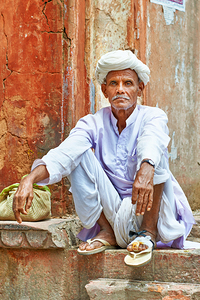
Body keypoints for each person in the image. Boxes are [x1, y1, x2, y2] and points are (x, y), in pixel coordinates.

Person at [13, 50, 195, 265]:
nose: (120, 89)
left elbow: (152, 139)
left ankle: (148, 233)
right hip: (114, 211)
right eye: (113, 83)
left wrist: (147, 167)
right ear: (104, 90)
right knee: (77, 154)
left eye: (128, 83)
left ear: (140, 88)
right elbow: (64, 153)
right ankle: (107, 232)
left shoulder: (153, 116)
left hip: (148, 209)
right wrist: (29, 179)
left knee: (156, 156)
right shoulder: (92, 122)